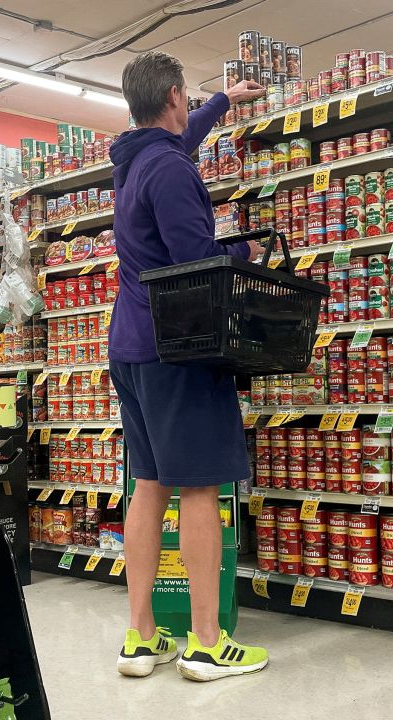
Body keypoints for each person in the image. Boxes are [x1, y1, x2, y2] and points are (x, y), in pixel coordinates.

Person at [107, 50, 267, 682]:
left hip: (132, 346)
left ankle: (141, 637)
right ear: (174, 94)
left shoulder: (136, 162)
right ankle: (205, 642)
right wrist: (246, 250)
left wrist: (223, 103)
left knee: (149, 484)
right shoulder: (169, 172)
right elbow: (195, 263)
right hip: (177, 347)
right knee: (200, 486)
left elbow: (179, 141)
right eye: (189, 101)